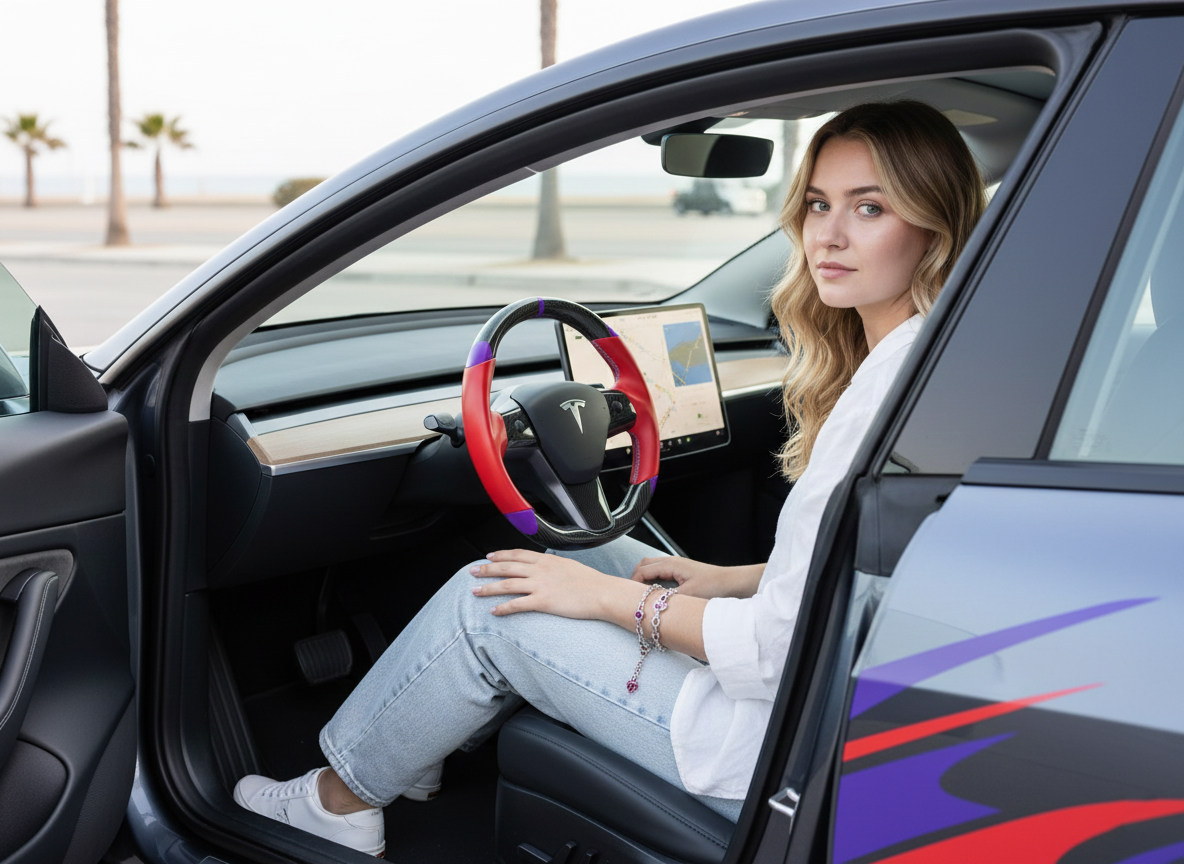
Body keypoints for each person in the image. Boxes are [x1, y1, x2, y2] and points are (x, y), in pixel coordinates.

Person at [233, 100, 987, 856]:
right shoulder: (935, 366)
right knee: (584, 553)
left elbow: (767, 655)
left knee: (485, 601)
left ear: (933, 227)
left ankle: (339, 802)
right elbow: (868, 566)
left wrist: (605, 599)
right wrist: (723, 579)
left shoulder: (881, 400)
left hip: (773, 741)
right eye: (819, 203)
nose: (829, 233)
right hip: (836, 700)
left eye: (870, 208)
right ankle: (416, 743)